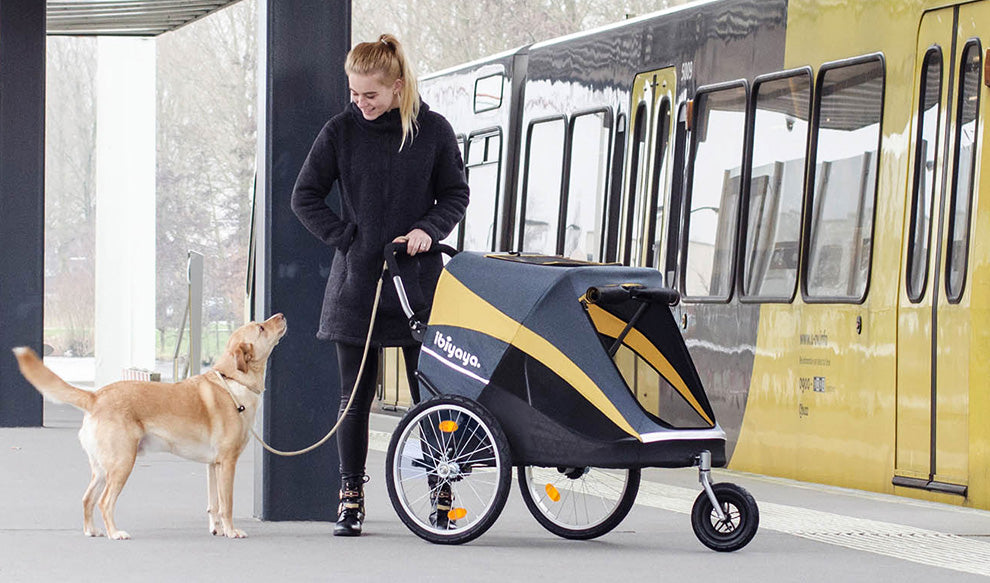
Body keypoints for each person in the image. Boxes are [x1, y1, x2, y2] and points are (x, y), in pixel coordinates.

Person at [291, 33, 469, 537]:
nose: (360, 104)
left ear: (397, 86)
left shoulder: (434, 131)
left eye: (369, 94)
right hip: (357, 288)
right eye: (353, 94)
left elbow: (455, 195)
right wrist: (349, 238)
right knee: (354, 397)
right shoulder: (338, 132)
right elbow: (304, 197)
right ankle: (350, 497)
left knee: (431, 397)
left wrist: (428, 231)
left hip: (418, 287)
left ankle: (443, 493)